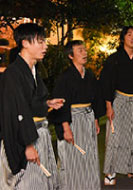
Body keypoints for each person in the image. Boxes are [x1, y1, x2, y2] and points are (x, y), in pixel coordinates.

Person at [0, 23, 64, 190]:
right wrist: (28, 145)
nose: (45, 46)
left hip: (37, 134)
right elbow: (16, 111)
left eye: (45, 42)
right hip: (24, 138)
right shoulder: (13, 73)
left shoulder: (33, 70)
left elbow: (29, 102)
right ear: (25, 43)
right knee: (28, 184)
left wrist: (48, 104)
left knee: (42, 182)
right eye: (40, 42)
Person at [100, 26, 133, 185]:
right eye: (129, 34)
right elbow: (107, 83)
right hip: (119, 100)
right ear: (123, 38)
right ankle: (110, 172)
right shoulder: (113, 59)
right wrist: (109, 106)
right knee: (115, 136)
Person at [49, 40, 104, 190]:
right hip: (71, 121)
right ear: (71, 55)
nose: (84, 53)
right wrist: (66, 128)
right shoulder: (64, 77)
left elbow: (96, 99)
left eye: (85, 50)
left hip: (87, 118)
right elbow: (61, 105)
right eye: (80, 50)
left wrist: (96, 120)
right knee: (72, 158)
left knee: (89, 155)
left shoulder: (90, 75)